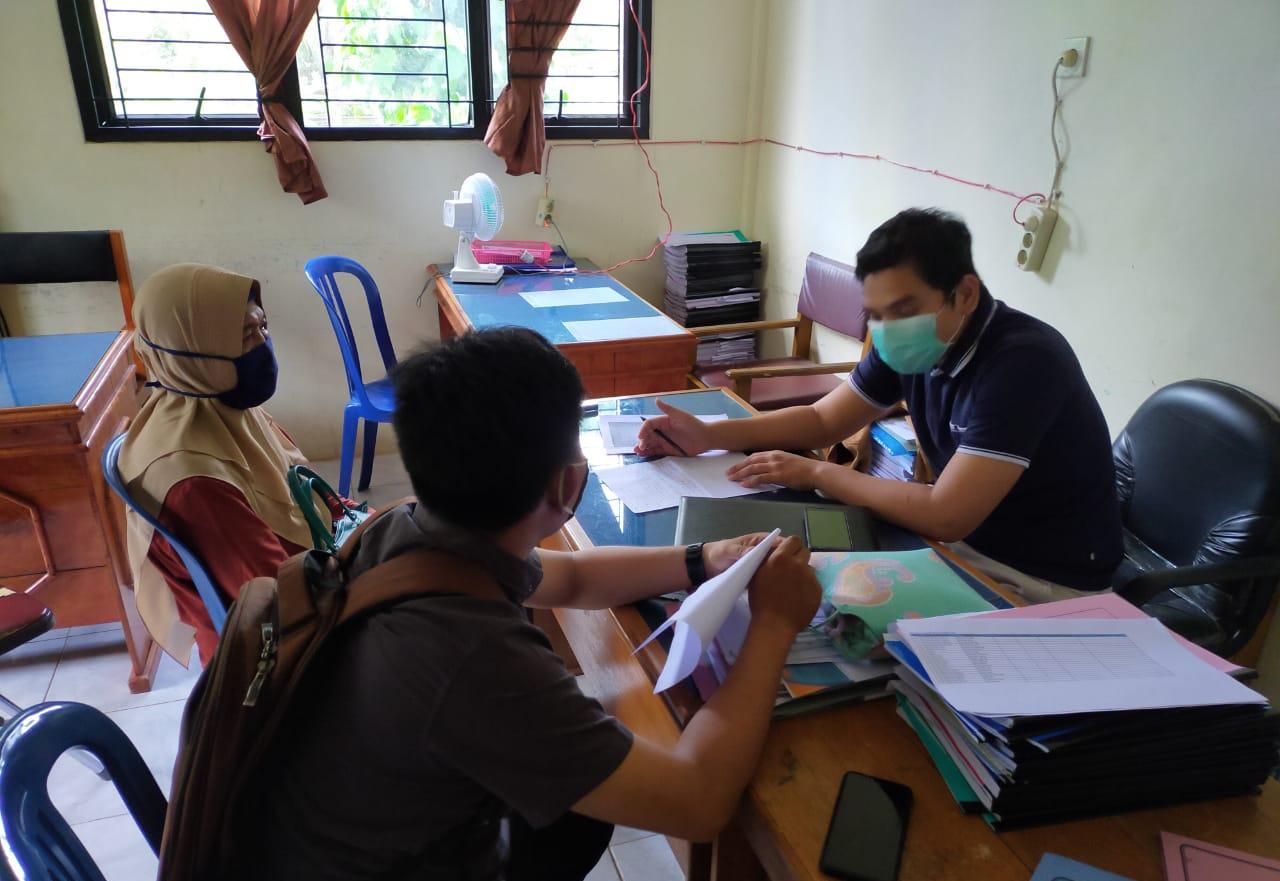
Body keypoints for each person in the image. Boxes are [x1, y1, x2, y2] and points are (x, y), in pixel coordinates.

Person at [236, 327, 822, 881]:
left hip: (311, 828)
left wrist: (703, 558)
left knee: (577, 811)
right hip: (384, 863)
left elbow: (570, 579)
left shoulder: (403, 526)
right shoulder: (472, 656)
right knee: (588, 800)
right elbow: (697, 801)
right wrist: (774, 621)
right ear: (568, 485)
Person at [637, 208, 1123, 601]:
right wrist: (707, 435)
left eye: (905, 309)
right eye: (877, 313)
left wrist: (819, 474)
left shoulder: (1023, 363)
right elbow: (823, 420)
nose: (888, 328)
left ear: (966, 294)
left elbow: (947, 514)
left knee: (818, 606)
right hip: (963, 544)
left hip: (1040, 579)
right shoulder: (917, 341)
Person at [120, 263, 320, 666]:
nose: (264, 344)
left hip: (303, 586)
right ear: (189, 347)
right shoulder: (194, 481)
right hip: (280, 649)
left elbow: (307, 492)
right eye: (246, 335)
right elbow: (281, 595)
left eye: (263, 327)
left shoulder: (221, 410)